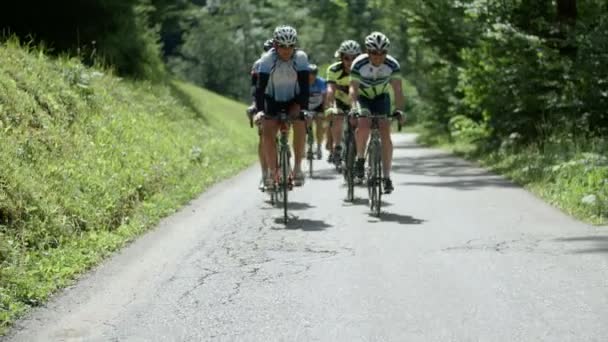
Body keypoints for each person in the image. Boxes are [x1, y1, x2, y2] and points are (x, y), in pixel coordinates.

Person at [349, 32, 405, 194]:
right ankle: (360, 159)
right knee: (364, 124)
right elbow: (353, 88)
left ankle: (386, 176)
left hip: (381, 98)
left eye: (382, 53)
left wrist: (399, 110)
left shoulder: (392, 65)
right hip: (363, 97)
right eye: (374, 53)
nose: (378, 57)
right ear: (367, 51)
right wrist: (354, 107)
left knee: (385, 132)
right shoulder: (359, 63)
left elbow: (398, 89)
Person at [254, 25, 310, 187]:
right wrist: (259, 111)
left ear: (295, 46)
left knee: (300, 123)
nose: (286, 50)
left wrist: (301, 107)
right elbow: (260, 88)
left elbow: (304, 86)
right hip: (272, 100)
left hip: (294, 99)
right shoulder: (267, 60)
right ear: (275, 45)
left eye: (290, 46)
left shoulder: (300, 58)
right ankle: (273, 171)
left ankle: (298, 167)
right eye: (282, 46)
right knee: (267, 130)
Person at [324, 40, 362, 166]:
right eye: (347, 58)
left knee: (359, 123)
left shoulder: (363, 70)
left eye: (354, 58)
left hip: (357, 100)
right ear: (341, 57)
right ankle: (338, 146)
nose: (350, 62)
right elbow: (330, 90)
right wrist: (330, 107)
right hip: (339, 100)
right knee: (338, 117)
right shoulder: (334, 69)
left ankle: (358, 152)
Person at [247, 39, 274, 191]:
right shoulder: (258, 64)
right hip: (263, 100)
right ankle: (264, 173)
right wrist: (255, 106)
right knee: (263, 136)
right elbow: (255, 89)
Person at [306, 64, 327, 159]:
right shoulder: (302, 82)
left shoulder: (321, 82)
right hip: (306, 106)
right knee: (307, 123)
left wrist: (324, 110)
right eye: (309, 74)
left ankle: (319, 147)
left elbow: (325, 97)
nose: (311, 76)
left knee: (319, 123)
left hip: (318, 105)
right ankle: (309, 146)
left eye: (314, 74)